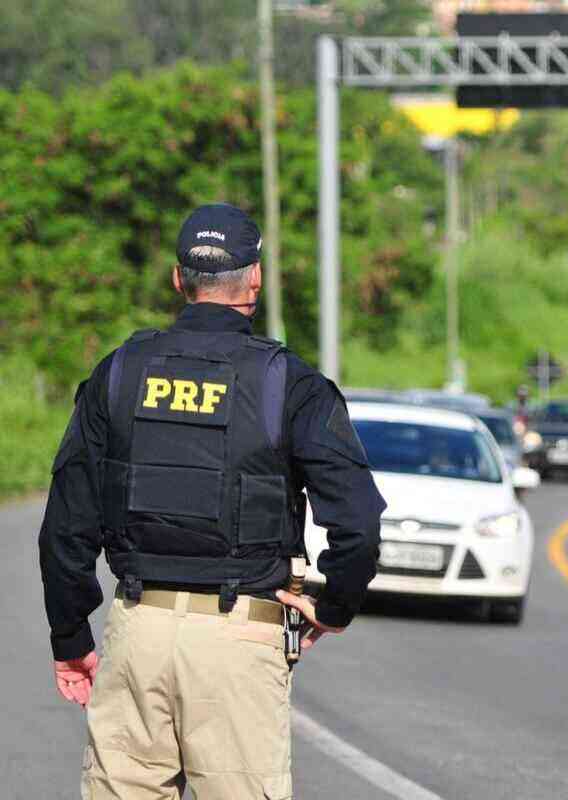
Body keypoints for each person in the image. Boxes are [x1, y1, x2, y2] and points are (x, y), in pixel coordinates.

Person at [38, 203, 386, 799]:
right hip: (239, 639)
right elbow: (357, 523)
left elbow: (66, 526)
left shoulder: (119, 373)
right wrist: (334, 608)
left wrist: (71, 639)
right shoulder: (292, 384)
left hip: (136, 632)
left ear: (180, 279)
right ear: (254, 278)